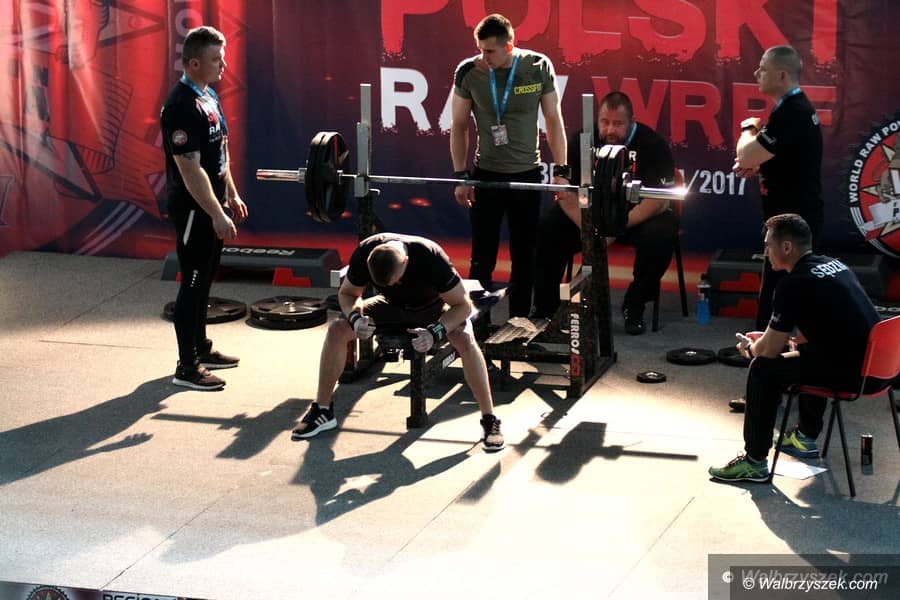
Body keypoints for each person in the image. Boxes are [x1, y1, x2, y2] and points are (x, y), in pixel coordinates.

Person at [292, 233, 505, 451]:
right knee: (337, 330)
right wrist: (356, 319)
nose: (396, 284)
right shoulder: (365, 251)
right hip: (390, 306)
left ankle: (489, 419)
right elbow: (347, 294)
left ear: (406, 261)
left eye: (395, 280)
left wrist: (435, 332)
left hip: (432, 308)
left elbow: (463, 306)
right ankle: (323, 410)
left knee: (464, 338)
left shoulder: (430, 256)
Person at [709, 214, 879, 482]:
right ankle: (804, 437)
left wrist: (752, 348)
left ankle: (754, 461)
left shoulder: (793, 284)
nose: (766, 253)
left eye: (769, 245)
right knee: (808, 353)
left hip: (853, 376)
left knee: (762, 369)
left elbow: (768, 352)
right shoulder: (834, 265)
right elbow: (818, 331)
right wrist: (770, 337)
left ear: (786, 247)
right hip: (880, 367)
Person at [450, 13, 569, 317]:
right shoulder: (468, 71)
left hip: (526, 176)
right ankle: (477, 324)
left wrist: (561, 171)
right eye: (480, 49)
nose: (484, 57)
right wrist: (461, 175)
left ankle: (519, 322)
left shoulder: (538, 66)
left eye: (490, 51)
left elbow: (553, 120)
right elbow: (459, 125)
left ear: (509, 46)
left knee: (524, 255)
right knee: (482, 257)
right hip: (486, 176)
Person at [532, 91, 678, 335]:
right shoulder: (582, 140)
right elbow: (564, 192)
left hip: (635, 218)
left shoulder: (652, 144)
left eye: (618, 124)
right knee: (549, 227)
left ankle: (634, 305)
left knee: (661, 236)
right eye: (605, 122)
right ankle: (546, 308)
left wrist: (615, 226)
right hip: (590, 218)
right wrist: (591, 229)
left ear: (631, 121)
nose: (610, 129)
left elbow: (659, 201)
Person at [160, 25, 247, 390]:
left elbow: (219, 154)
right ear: (194, 63)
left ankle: (201, 348)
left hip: (212, 205)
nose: (223, 65)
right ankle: (187, 367)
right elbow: (190, 168)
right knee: (193, 283)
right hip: (194, 210)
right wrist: (215, 213)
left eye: (222, 58)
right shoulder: (181, 106)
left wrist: (232, 194)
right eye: (215, 59)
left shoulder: (207, 97)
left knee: (206, 278)